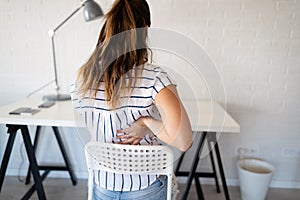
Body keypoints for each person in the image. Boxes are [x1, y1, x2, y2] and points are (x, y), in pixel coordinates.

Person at [71, 0, 192, 199]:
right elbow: (183, 141)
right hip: (145, 188)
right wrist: (146, 122)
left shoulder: (84, 78)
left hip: (102, 186)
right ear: (144, 28)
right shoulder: (154, 78)